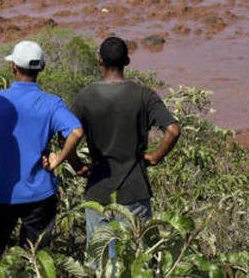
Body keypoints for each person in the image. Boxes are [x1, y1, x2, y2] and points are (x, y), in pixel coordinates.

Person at [0, 40, 84, 278]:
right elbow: (76, 132)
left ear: (13, 67)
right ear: (41, 68)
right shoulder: (51, 102)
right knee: (34, 255)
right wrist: (58, 160)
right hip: (40, 193)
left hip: (4, 191)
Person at [70, 36, 180, 264]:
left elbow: (68, 138)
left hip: (98, 190)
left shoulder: (85, 97)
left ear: (99, 61)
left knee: (100, 263)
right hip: (135, 190)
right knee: (137, 261)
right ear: (127, 61)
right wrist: (156, 156)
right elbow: (173, 130)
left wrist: (77, 165)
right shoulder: (144, 95)